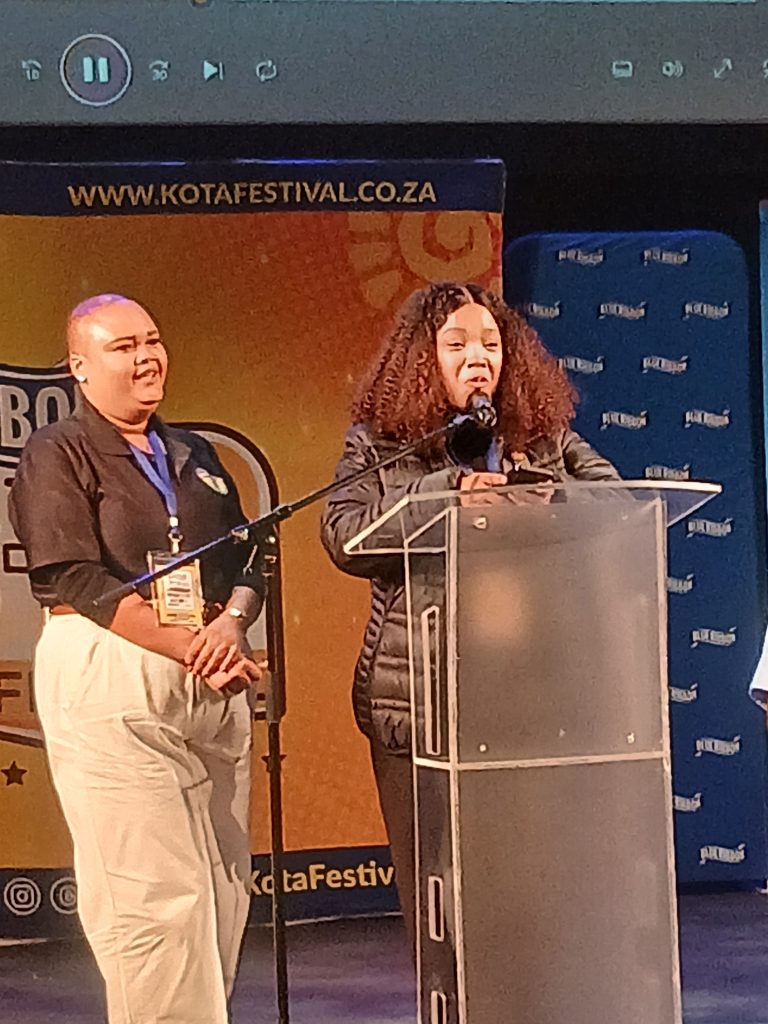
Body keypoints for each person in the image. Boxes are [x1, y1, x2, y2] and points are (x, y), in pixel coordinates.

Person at [320, 281, 620, 954]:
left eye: (490, 344)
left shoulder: (544, 440)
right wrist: (445, 495)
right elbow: (343, 536)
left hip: (529, 699)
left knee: (525, 904)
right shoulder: (382, 445)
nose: (478, 358)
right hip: (418, 704)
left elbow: (620, 504)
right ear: (423, 360)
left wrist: (545, 498)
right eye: (456, 345)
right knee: (442, 911)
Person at [9, 294, 266, 1024]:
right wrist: (188, 644)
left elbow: (252, 554)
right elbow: (72, 575)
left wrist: (232, 624)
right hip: (113, 666)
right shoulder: (56, 452)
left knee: (221, 889)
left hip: (212, 672)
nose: (147, 357)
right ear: (79, 367)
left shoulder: (195, 454)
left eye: (152, 340)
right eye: (124, 347)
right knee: (152, 899)